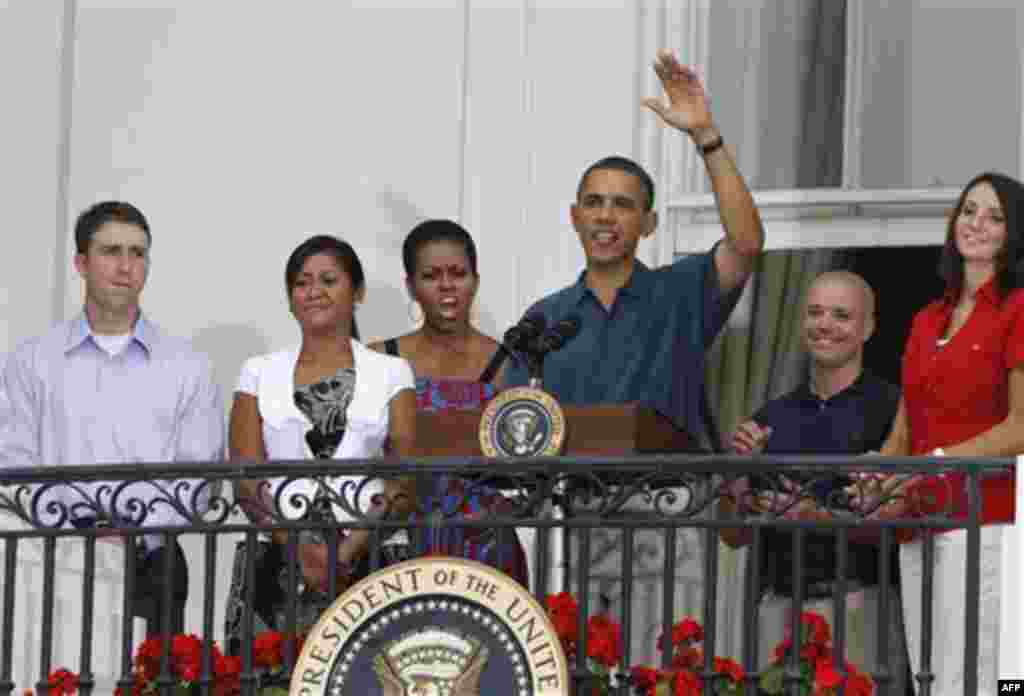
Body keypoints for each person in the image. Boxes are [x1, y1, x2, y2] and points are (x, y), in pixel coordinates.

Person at [504, 49, 764, 448]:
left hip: (666, 498)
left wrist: (705, 135)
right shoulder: (545, 318)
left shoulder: (681, 292)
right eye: (594, 203)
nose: (605, 216)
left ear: (649, 224)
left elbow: (746, 243)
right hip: (570, 502)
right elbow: (519, 432)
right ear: (575, 218)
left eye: (623, 205)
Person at [0, 200, 225, 636]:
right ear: (81, 263)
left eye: (137, 253)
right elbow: (13, 463)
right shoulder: (32, 362)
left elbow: (199, 473)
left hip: (153, 565)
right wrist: (75, 533)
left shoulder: (188, 364)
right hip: (51, 559)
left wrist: (131, 532)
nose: (126, 266)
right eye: (111, 251)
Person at [860, 172, 1024, 696]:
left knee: (974, 680)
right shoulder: (928, 318)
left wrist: (933, 461)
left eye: (995, 216)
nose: (976, 224)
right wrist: (882, 474)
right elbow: (906, 425)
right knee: (931, 681)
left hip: (986, 521)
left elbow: (1021, 426)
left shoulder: (1019, 309)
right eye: (969, 210)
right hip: (920, 520)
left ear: (1013, 233)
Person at [224, 235, 417, 651]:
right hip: (276, 559)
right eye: (301, 282)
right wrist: (301, 550)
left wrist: (347, 550)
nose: (313, 291)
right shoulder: (257, 372)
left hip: (366, 556)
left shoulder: (392, 373)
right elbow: (245, 477)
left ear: (357, 291)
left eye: (328, 279)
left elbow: (402, 481)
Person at [724, 271, 909, 695]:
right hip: (777, 607)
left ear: (869, 327)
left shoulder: (893, 408)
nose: (825, 324)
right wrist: (738, 470)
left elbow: (900, 520)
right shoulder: (771, 414)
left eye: (841, 315)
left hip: (861, 604)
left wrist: (813, 514)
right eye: (815, 312)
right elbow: (732, 534)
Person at [369, 219, 529, 588]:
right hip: (397, 543)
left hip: (487, 548)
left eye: (458, 273)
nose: (446, 286)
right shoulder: (380, 360)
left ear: (475, 279)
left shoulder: (508, 363)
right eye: (431, 275)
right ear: (410, 285)